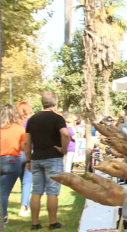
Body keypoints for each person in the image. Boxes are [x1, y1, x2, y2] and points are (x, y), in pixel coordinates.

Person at [24, 91, 70, 230]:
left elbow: (27, 142)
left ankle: (35, 223)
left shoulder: (32, 119)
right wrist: (64, 149)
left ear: (42, 103)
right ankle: (52, 222)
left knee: (36, 191)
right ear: (55, 103)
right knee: (52, 191)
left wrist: (28, 160)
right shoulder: (57, 118)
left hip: (36, 157)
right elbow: (66, 134)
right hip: (53, 157)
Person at [1, 104, 26, 224]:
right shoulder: (20, 129)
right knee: (4, 192)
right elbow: (22, 147)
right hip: (11, 160)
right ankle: (3, 216)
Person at [16, 101, 32, 217]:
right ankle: (24, 206)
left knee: (23, 181)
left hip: (16, 153)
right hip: (28, 152)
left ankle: (26, 205)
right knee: (27, 181)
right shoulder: (31, 122)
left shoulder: (14, 123)